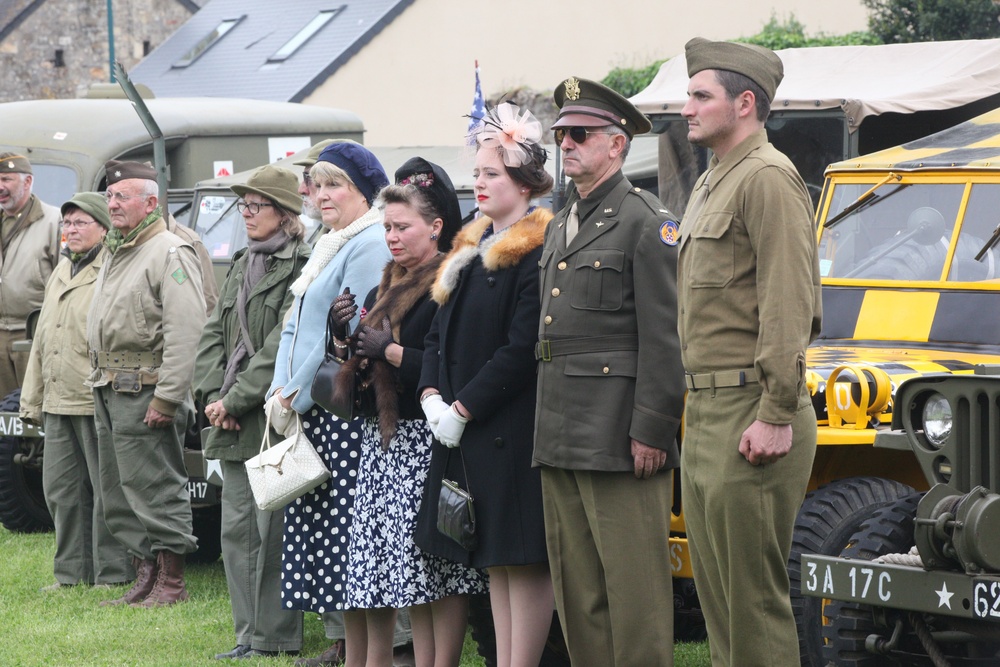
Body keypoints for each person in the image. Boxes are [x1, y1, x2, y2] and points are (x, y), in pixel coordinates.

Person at [677, 38, 822, 666]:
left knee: (753, 607)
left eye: (700, 95)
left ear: (744, 103)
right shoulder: (714, 179)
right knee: (720, 606)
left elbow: (789, 303)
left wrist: (775, 411)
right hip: (708, 409)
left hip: (751, 409)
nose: (686, 107)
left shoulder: (766, 177)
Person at [532, 77, 685, 666]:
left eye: (580, 134)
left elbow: (665, 336)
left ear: (617, 145)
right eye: (562, 134)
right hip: (560, 429)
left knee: (634, 589)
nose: (566, 144)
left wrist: (652, 426)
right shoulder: (564, 219)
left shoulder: (646, 220)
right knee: (578, 590)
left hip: (619, 432)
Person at [416, 103, 554, 667]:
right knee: (494, 561)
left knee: (522, 560)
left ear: (523, 183)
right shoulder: (468, 249)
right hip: (463, 428)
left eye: (491, 173)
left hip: (509, 426)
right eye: (476, 173)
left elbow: (520, 349)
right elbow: (435, 336)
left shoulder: (537, 250)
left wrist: (465, 407)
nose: (479, 183)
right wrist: (429, 396)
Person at [338, 157, 487, 667]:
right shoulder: (392, 277)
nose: (392, 237)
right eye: (386, 228)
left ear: (437, 226)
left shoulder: (452, 277)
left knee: (437, 571)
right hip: (389, 439)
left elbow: (453, 364)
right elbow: (369, 362)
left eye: (402, 227)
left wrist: (390, 351)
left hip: (429, 439)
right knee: (409, 573)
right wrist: (347, 341)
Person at [267, 142, 390, 667]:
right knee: (327, 536)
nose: (321, 195)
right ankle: (346, 646)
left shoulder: (367, 244)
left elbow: (343, 335)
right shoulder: (329, 241)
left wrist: (292, 389)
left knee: (347, 539)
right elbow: (295, 327)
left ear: (364, 192)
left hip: (338, 411)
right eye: (317, 186)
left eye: (334, 184)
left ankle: (367, 651)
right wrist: (278, 387)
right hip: (310, 407)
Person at [193, 165, 311, 660]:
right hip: (233, 415)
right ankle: (247, 637)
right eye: (240, 206)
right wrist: (208, 396)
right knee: (235, 532)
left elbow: (280, 347)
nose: (244, 214)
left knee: (275, 532)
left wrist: (234, 399)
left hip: (270, 416)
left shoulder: (303, 263)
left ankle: (275, 638)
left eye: (254, 206)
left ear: (283, 213)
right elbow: (214, 334)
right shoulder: (243, 262)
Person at [87, 160, 207, 608]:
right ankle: (147, 573)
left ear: (151, 203)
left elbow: (186, 331)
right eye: (110, 197)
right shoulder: (118, 249)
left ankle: (171, 582)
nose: (113, 204)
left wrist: (169, 396)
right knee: (120, 489)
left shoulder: (169, 251)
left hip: (145, 388)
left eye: (122, 197)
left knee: (155, 485)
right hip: (110, 385)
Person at [19, 192, 131, 591]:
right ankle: (70, 574)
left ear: (103, 227)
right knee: (61, 491)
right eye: (66, 223)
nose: (71, 230)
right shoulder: (61, 271)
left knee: (105, 493)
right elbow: (42, 339)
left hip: (94, 397)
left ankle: (113, 574)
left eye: (81, 223)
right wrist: (31, 399)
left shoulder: (112, 268)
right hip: (57, 400)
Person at [0, 152, 61, 399]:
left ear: (27, 182)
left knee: (34, 410)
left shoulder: (54, 221)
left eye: (6, 179)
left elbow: (66, 278)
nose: (0, 187)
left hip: (33, 335)